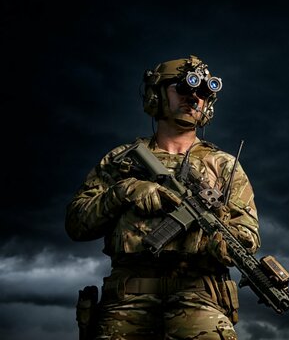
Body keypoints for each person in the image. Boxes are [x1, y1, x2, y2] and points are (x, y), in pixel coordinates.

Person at [65, 55, 260, 340]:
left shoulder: (224, 166)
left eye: (204, 92)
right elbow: (76, 223)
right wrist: (125, 191)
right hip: (127, 299)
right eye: (183, 88)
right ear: (156, 94)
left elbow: (249, 235)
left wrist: (226, 240)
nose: (194, 98)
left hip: (199, 298)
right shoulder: (120, 162)